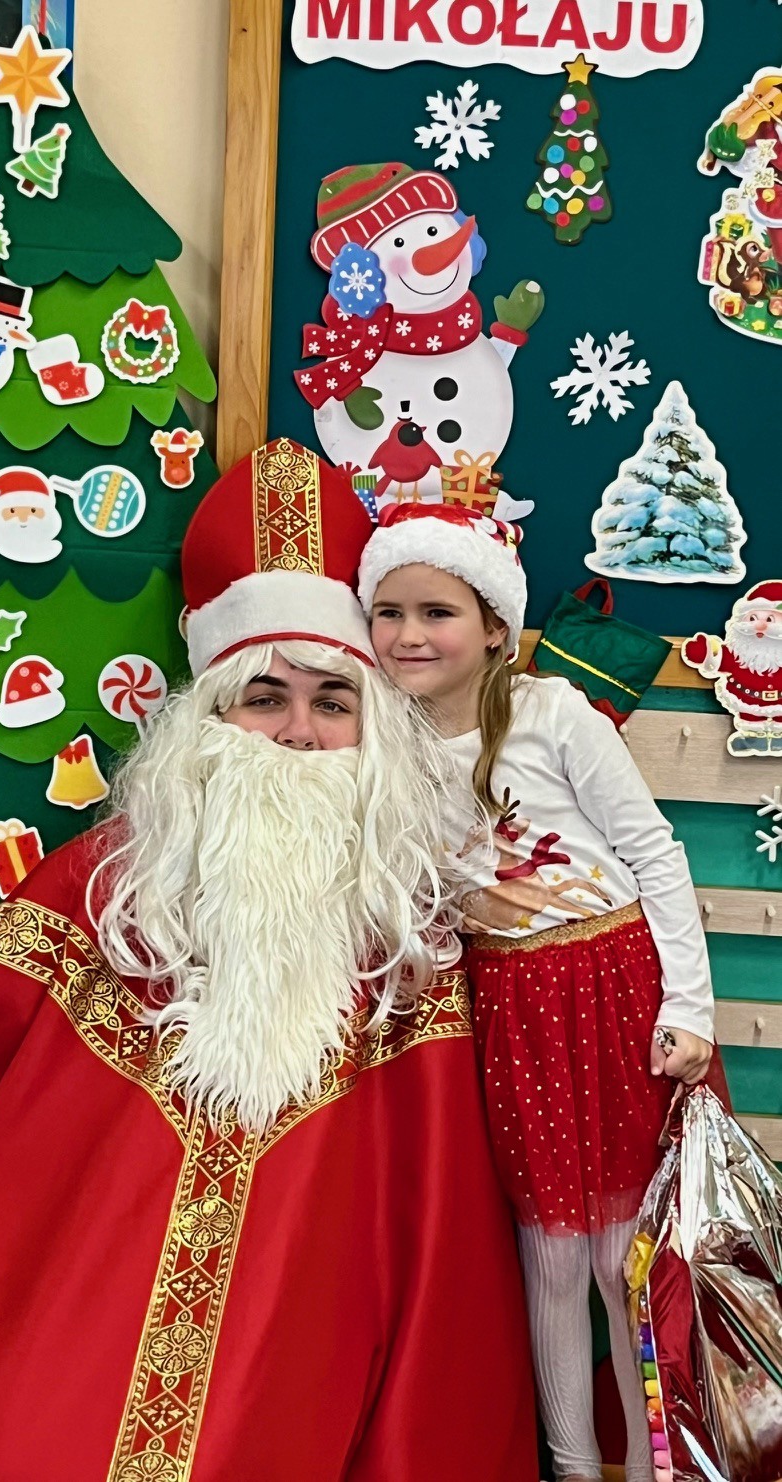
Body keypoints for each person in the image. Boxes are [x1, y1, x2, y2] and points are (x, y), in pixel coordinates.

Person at [0, 441, 537, 1482]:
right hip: (43, 1342)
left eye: (332, 701)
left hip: (298, 1374)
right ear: (206, 716)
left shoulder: (408, 943)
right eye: (265, 698)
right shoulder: (94, 890)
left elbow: (440, 1244)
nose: (297, 734)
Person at [357, 502, 715, 1482]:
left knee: (621, 1257)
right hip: (512, 1008)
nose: (409, 634)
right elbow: (397, 887)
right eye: (388, 612)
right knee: (550, 1257)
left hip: (614, 991)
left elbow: (653, 853)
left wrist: (688, 1006)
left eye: (436, 612)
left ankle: (656, 1463)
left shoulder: (552, 714)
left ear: (493, 629)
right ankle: (569, 1462)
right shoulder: (382, 744)